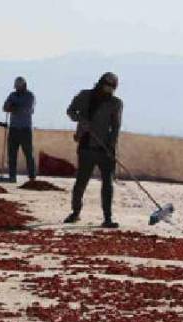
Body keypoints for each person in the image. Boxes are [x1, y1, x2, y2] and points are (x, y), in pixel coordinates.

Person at [64, 72, 123, 228]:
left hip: (106, 150)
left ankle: (107, 218)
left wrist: (111, 145)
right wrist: (82, 120)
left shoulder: (116, 103)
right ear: (100, 83)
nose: (109, 89)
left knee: (107, 184)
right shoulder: (85, 96)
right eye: (107, 85)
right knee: (81, 182)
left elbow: (116, 127)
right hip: (86, 146)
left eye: (112, 87)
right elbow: (70, 111)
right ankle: (75, 212)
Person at [3, 77, 37, 182]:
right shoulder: (12, 95)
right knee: (12, 155)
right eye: (16, 87)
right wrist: (12, 107)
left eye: (19, 87)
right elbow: (5, 107)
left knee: (28, 154)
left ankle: (32, 177)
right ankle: (12, 176)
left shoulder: (30, 96)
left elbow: (27, 109)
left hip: (25, 129)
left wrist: (14, 107)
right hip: (13, 129)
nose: (17, 89)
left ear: (24, 86)